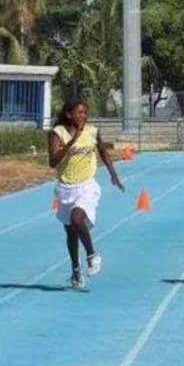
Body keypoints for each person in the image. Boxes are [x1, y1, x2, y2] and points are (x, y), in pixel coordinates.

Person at [49, 99, 125, 290]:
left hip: (86, 185)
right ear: (69, 114)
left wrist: (113, 173)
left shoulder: (92, 131)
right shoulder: (57, 133)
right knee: (70, 232)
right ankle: (75, 271)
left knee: (77, 219)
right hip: (65, 187)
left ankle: (92, 255)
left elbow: (103, 152)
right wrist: (71, 143)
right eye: (79, 113)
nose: (83, 116)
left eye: (85, 113)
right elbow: (53, 161)